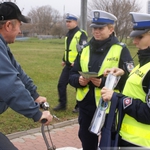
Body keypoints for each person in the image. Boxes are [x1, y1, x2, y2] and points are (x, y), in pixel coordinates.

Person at [69, 10, 134, 150]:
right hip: (86, 106)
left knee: (108, 144)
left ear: (111, 29)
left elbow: (129, 79)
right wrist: (79, 80)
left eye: (101, 28)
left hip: (109, 107)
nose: (96, 31)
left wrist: (105, 83)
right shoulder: (85, 49)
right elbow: (72, 75)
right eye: (94, 28)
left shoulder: (121, 49)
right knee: (87, 142)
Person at [0, 2, 53, 150]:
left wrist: (35, 95)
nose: (20, 32)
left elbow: (18, 72)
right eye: (19, 26)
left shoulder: (3, 46)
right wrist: (36, 113)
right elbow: (8, 83)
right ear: (9, 25)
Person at [101, 12, 150, 149]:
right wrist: (121, 74)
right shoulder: (144, 63)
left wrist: (117, 98)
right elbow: (136, 90)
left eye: (140, 37)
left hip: (141, 143)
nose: (134, 42)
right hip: (130, 139)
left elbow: (148, 113)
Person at [53, 13, 88, 112]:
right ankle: (62, 104)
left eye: (69, 21)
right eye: (66, 22)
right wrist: (64, 59)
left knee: (78, 86)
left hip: (77, 66)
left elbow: (83, 49)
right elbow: (68, 49)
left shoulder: (81, 33)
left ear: (75, 22)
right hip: (68, 65)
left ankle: (79, 106)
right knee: (61, 84)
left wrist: (76, 62)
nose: (67, 24)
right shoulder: (68, 34)